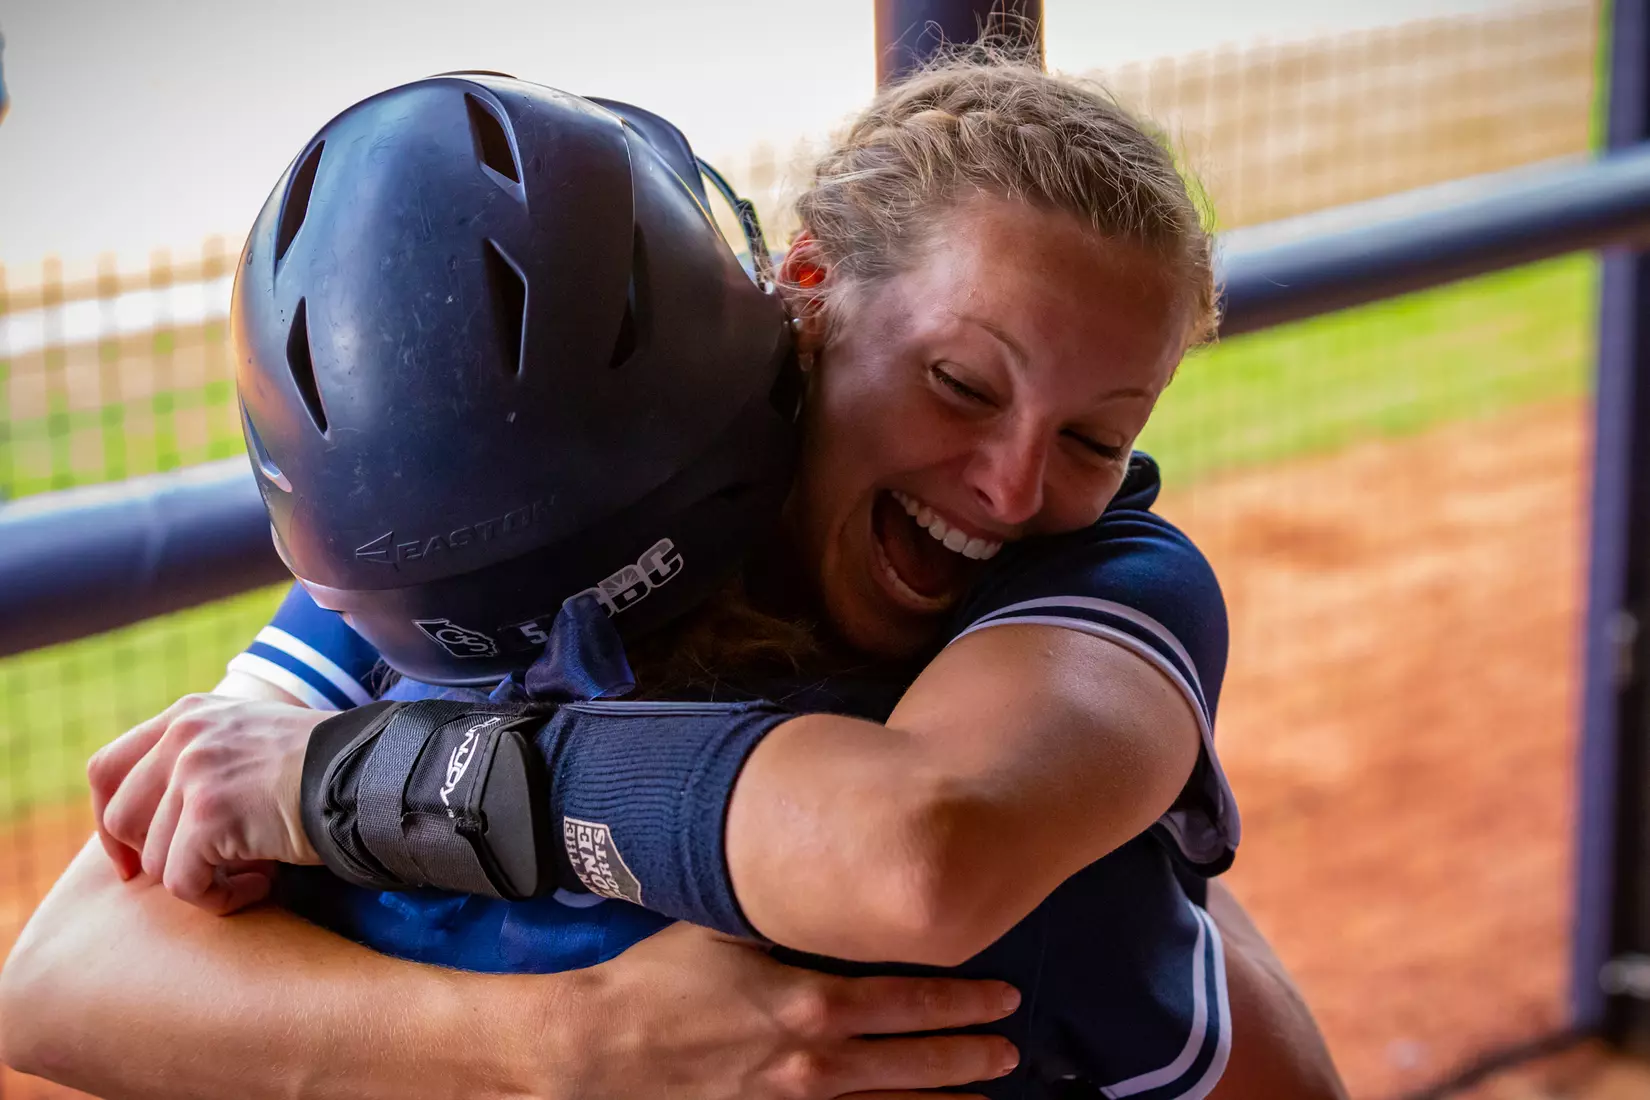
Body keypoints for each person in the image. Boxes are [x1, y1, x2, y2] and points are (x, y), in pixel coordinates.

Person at [1, 64, 1346, 1100]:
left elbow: (924, 852)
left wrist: (346, 781)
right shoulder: (539, 534)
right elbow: (63, 976)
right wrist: (565, 1050)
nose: (1008, 485)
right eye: (958, 383)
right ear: (806, 294)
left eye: (1095, 439)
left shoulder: (1100, 578)